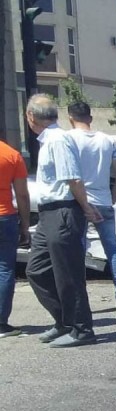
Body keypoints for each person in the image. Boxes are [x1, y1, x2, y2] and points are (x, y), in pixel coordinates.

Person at [24, 94, 101, 347]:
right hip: (49, 214)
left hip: (63, 211)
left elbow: (73, 179)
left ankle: (82, 329)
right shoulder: (48, 140)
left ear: (31, 117)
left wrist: (86, 208)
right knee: (36, 270)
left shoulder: (58, 140)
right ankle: (64, 320)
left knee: (68, 274)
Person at [67, 102, 116, 310]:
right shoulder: (108, 140)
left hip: (78, 202)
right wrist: (112, 198)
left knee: (78, 251)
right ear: (90, 118)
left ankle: (80, 300)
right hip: (103, 200)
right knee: (112, 249)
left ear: (70, 118)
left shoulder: (67, 140)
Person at [0, 139, 30, 338]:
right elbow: (22, 195)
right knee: (4, 269)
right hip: (5, 218)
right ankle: (1, 324)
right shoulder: (11, 154)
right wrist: (25, 226)